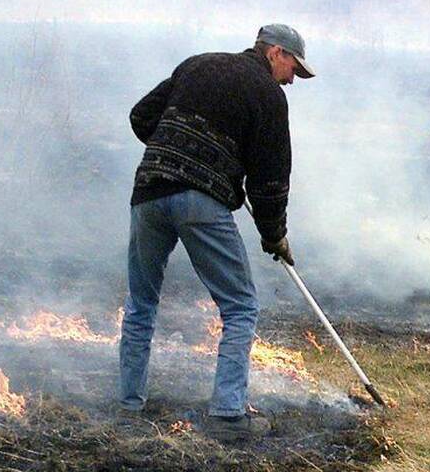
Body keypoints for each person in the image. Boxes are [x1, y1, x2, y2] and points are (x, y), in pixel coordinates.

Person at [119, 24, 315, 440]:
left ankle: (129, 404)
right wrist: (273, 235)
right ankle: (228, 414)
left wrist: (175, 152)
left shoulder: (197, 65)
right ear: (275, 52)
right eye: (293, 68)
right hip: (200, 203)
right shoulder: (268, 96)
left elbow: (141, 117)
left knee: (141, 302)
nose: (292, 79)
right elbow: (270, 181)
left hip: (149, 192)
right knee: (241, 305)